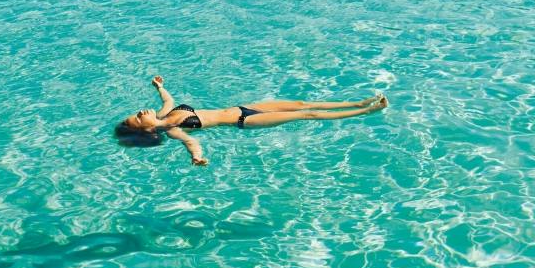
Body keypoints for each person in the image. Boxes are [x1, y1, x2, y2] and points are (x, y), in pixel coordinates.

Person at [114, 75, 386, 166]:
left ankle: (359, 102)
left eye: (137, 112)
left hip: (241, 107)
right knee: (306, 114)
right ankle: (367, 112)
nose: (140, 112)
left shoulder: (163, 115)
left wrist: (159, 87)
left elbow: (169, 102)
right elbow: (191, 144)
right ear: (147, 130)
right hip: (243, 121)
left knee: (302, 104)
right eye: (138, 118)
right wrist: (197, 157)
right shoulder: (173, 130)